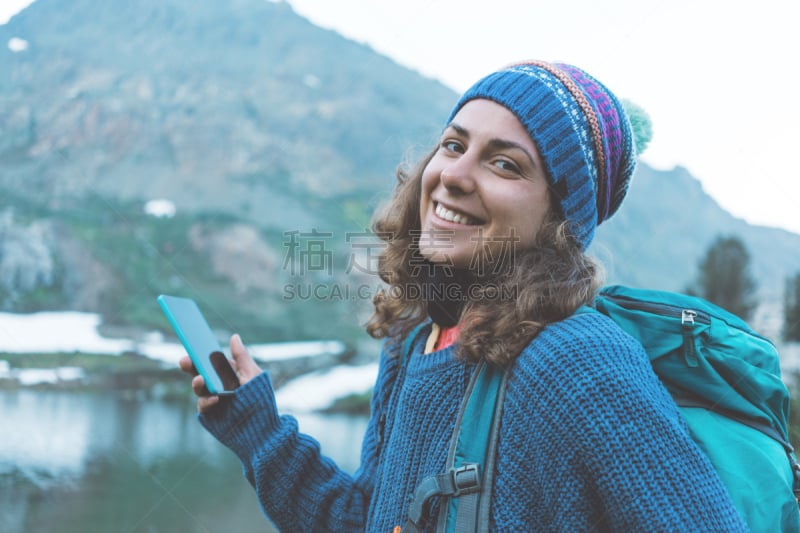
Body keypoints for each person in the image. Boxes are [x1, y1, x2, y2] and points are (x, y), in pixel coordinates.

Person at [180, 60, 748, 531]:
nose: (454, 175)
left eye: (505, 163)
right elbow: (368, 521)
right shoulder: (412, 345)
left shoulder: (578, 361)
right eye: (454, 145)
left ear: (558, 219)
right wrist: (254, 425)